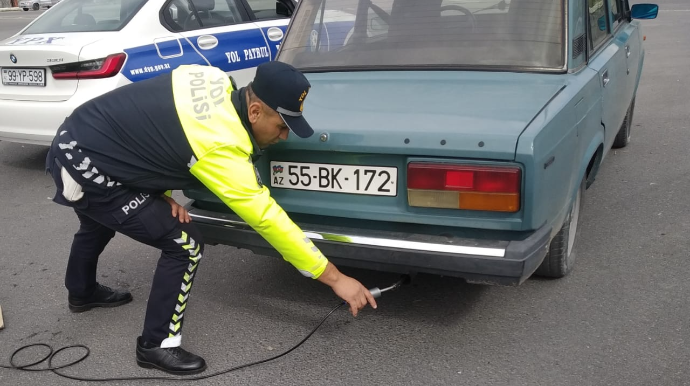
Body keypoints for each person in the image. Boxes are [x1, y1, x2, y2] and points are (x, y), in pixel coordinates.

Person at [45, 61, 378, 376]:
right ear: (255, 111)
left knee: (97, 222)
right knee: (185, 243)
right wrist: (335, 279)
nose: (284, 136)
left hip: (78, 135)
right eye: (281, 126)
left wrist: (159, 191)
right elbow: (268, 220)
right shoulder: (220, 146)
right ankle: (156, 345)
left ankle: (82, 291)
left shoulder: (212, 78)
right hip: (88, 169)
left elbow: (151, 125)